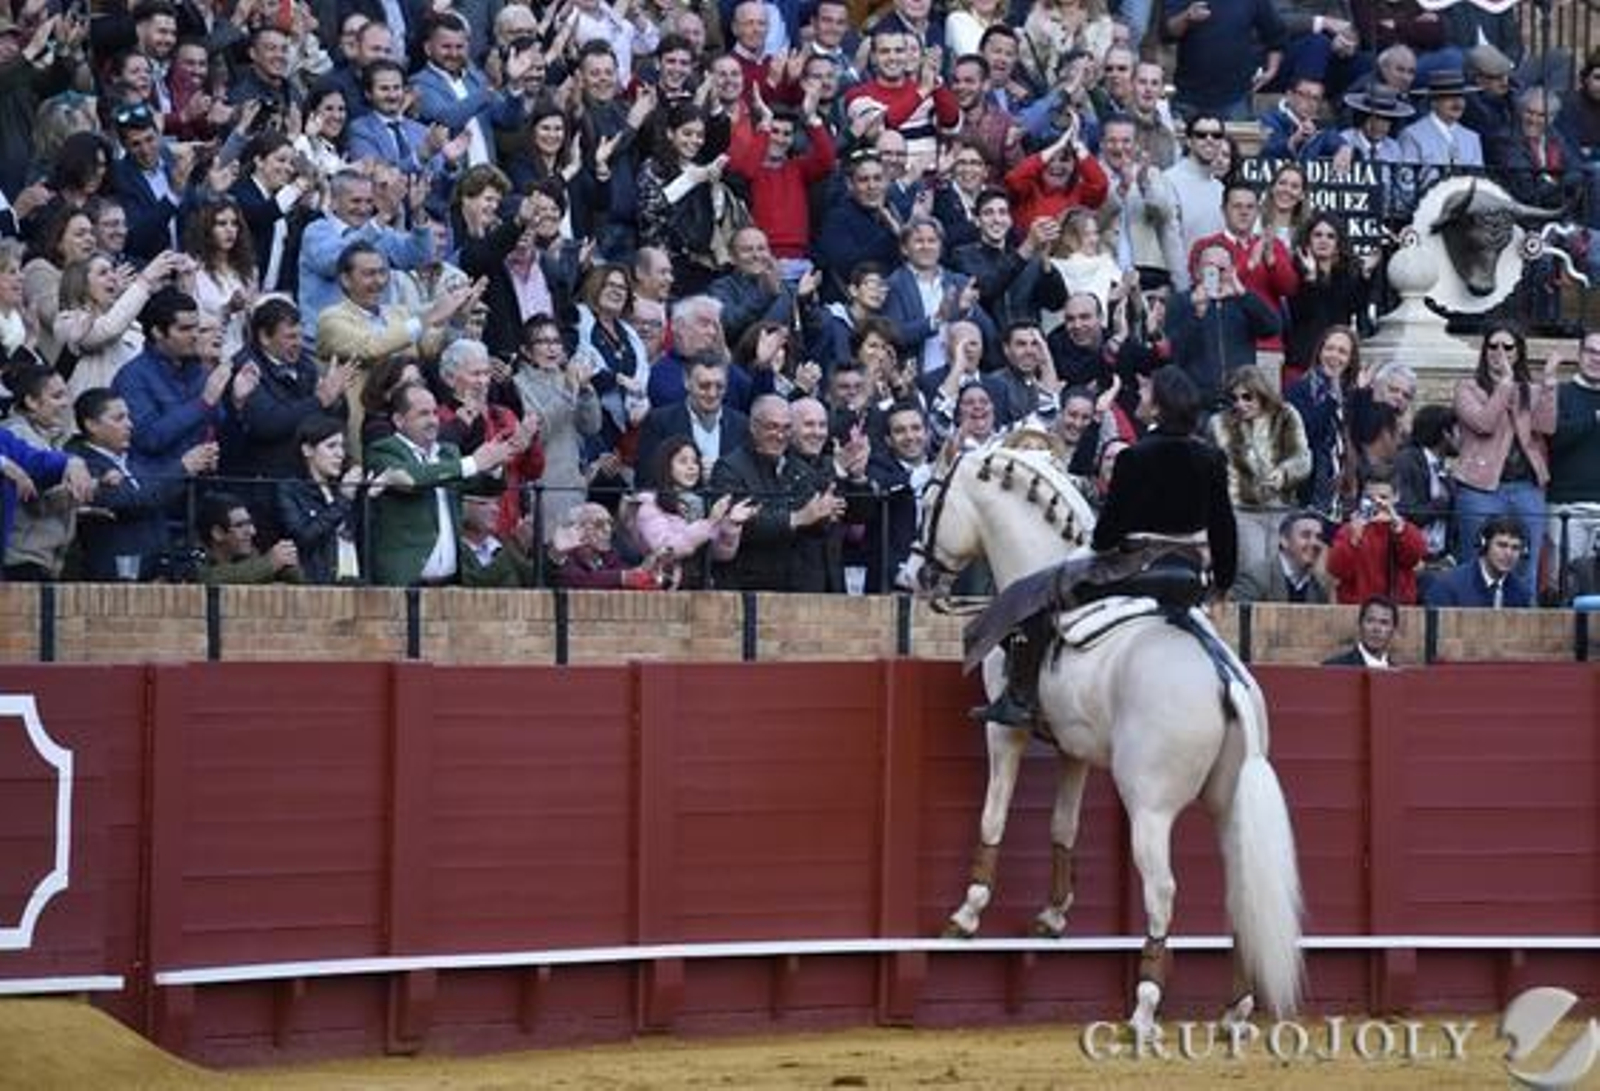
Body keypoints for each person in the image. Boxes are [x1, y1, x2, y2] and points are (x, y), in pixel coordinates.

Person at [966, 365, 1237, 727]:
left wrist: (1098, 540)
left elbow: (1107, 537)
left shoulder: (1134, 457)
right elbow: (1224, 528)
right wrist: (1221, 585)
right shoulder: (1212, 458)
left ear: (1158, 408)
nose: (1139, 398)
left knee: (1031, 597)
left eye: (1145, 394)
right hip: (1189, 577)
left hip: (1135, 572)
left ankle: (1019, 697)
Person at [363, 382, 523, 586]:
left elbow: (483, 487)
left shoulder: (448, 453)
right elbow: (414, 478)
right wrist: (474, 462)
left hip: (450, 582)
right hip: (404, 582)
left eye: (434, 413)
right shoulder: (383, 450)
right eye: (423, 414)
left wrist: (494, 463)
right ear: (399, 420)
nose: (432, 421)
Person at [1452, 322, 1558, 592]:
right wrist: (1504, 385)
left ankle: (1525, 627)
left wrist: (1548, 384)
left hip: (1526, 487)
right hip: (1479, 488)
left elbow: (1547, 427)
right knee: (1475, 561)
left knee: (1526, 564)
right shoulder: (1468, 387)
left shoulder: (1529, 390)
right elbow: (1483, 423)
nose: (1500, 351)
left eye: (1507, 346)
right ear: (1484, 350)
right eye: (1493, 345)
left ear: (1518, 352)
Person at [1209, 365, 1312, 594]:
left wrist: (1283, 474)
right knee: (1250, 572)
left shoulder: (1286, 415)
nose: (1240, 404)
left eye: (1247, 397)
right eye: (1234, 398)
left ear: (1262, 393)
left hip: (1282, 508)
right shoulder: (1220, 424)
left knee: (1281, 575)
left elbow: (1302, 458)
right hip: (1242, 510)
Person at [629, 436, 758, 586]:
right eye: (683, 461)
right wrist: (709, 523)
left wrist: (732, 524)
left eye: (695, 461)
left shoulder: (700, 504)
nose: (692, 467)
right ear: (666, 466)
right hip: (664, 590)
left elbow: (722, 554)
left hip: (701, 587)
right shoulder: (649, 505)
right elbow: (665, 550)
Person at [1325, 465, 1429, 604]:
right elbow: (1337, 569)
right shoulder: (1350, 530)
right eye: (1370, 498)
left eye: (1383, 497)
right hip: (1357, 611)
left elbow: (1414, 557)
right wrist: (1354, 539)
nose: (1377, 503)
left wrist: (1399, 529)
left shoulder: (1405, 529)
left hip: (1398, 612)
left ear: (1396, 497)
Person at [1424, 514, 1533, 608]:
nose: (1509, 554)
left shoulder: (1522, 593)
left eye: (1515, 548)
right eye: (1502, 545)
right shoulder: (1448, 586)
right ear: (1485, 545)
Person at [196, 492, 303, 584]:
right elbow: (208, 578)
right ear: (217, 533)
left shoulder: (249, 555)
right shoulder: (193, 558)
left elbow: (298, 581)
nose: (252, 531)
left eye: (250, 523)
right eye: (240, 525)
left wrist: (287, 563)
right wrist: (270, 563)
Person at [1232, 508, 1331, 604]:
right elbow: (1235, 618)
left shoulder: (1319, 589)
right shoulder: (1255, 579)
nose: (1315, 543)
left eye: (1319, 537)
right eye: (1305, 535)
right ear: (1284, 540)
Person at [1322, 594, 1399, 668]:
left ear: (1393, 630)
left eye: (1384, 623)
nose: (1376, 629)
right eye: (1370, 621)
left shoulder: (1398, 675)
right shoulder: (1334, 668)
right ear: (1360, 624)